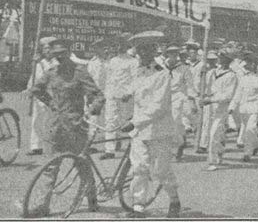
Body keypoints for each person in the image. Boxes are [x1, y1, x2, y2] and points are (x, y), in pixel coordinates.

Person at [27, 39, 105, 218]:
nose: (59, 58)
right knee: (49, 168)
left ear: (69, 53)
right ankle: (42, 206)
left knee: (82, 165)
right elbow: (36, 89)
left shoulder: (80, 72)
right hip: (54, 126)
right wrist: (50, 102)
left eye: (62, 54)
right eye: (56, 55)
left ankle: (92, 199)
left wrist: (92, 109)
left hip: (76, 126)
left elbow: (98, 95)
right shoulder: (51, 72)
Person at [119, 32, 181, 218]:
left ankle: (174, 199)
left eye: (147, 50)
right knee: (139, 168)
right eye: (140, 51)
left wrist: (134, 122)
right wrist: (125, 94)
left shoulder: (162, 74)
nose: (143, 54)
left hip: (159, 130)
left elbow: (158, 106)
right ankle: (138, 206)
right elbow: (133, 88)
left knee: (161, 171)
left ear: (154, 51)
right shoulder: (138, 71)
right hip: (139, 131)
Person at [201, 49, 238, 171]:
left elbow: (228, 95)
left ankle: (212, 162)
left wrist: (211, 100)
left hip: (221, 108)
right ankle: (220, 150)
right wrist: (203, 74)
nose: (220, 59)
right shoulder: (212, 72)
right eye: (220, 56)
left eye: (223, 57)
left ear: (228, 60)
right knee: (211, 133)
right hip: (209, 107)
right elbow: (205, 87)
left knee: (214, 134)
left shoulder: (231, 76)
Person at [100, 36, 136, 159]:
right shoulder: (113, 60)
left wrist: (129, 92)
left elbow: (135, 79)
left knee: (127, 122)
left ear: (126, 46)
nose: (119, 47)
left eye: (122, 44)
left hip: (126, 97)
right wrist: (106, 94)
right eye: (117, 45)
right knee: (110, 121)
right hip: (112, 95)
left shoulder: (133, 61)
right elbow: (109, 79)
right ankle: (109, 150)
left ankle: (132, 149)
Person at [229, 51, 258, 161]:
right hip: (243, 108)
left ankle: (247, 153)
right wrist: (232, 107)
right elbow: (238, 94)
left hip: (255, 108)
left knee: (251, 128)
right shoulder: (243, 79)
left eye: (253, 63)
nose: (251, 65)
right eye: (249, 63)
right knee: (248, 130)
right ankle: (257, 142)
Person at [26, 36, 57, 156]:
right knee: (36, 121)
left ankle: (49, 145)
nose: (47, 51)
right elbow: (34, 78)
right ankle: (36, 146)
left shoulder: (56, 62)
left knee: (49, 121)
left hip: (51, 94)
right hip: (38, 94)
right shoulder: (39, 63)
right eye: (45, 48)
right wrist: (30, 89)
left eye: (49, 48)